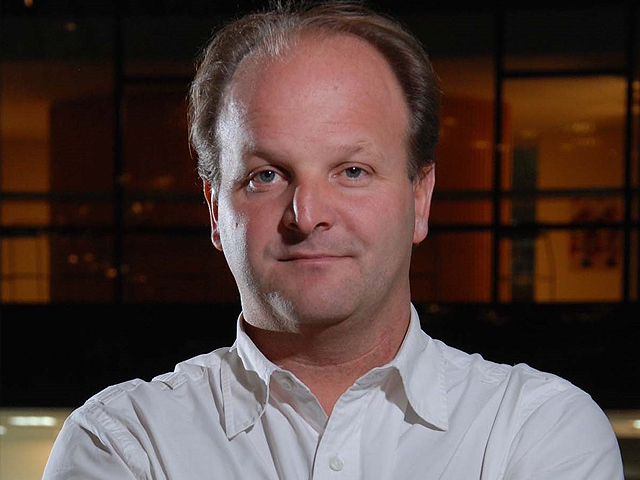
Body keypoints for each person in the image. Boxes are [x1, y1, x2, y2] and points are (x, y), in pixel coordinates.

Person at [43, 1, 624, 479]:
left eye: (352, 171)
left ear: (420, 198)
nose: (308, 215)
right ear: (216, 211)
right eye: (266, 176)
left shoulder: (536, 429)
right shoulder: (123, 443)